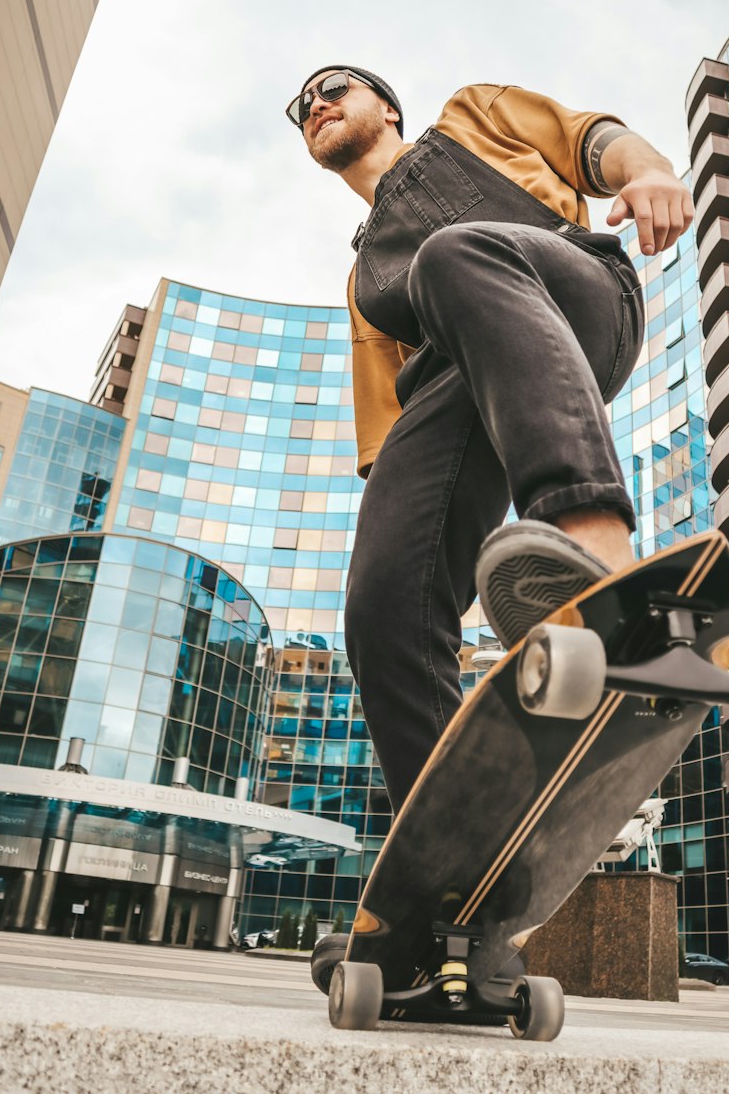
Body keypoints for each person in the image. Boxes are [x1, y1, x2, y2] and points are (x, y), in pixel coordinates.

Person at [287, 67, 693, 813]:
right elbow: (391, 445)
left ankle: (609, 579)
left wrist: (650, 170)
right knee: (383, 608)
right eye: (301, 106)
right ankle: (455, 853)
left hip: (573, 295)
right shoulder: (364, 282)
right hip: (463, 381)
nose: (315, 104)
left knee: (455, 253)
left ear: (386, 106)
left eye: (334, 88)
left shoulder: (473, 116)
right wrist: (405, 555)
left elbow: (587, 139)